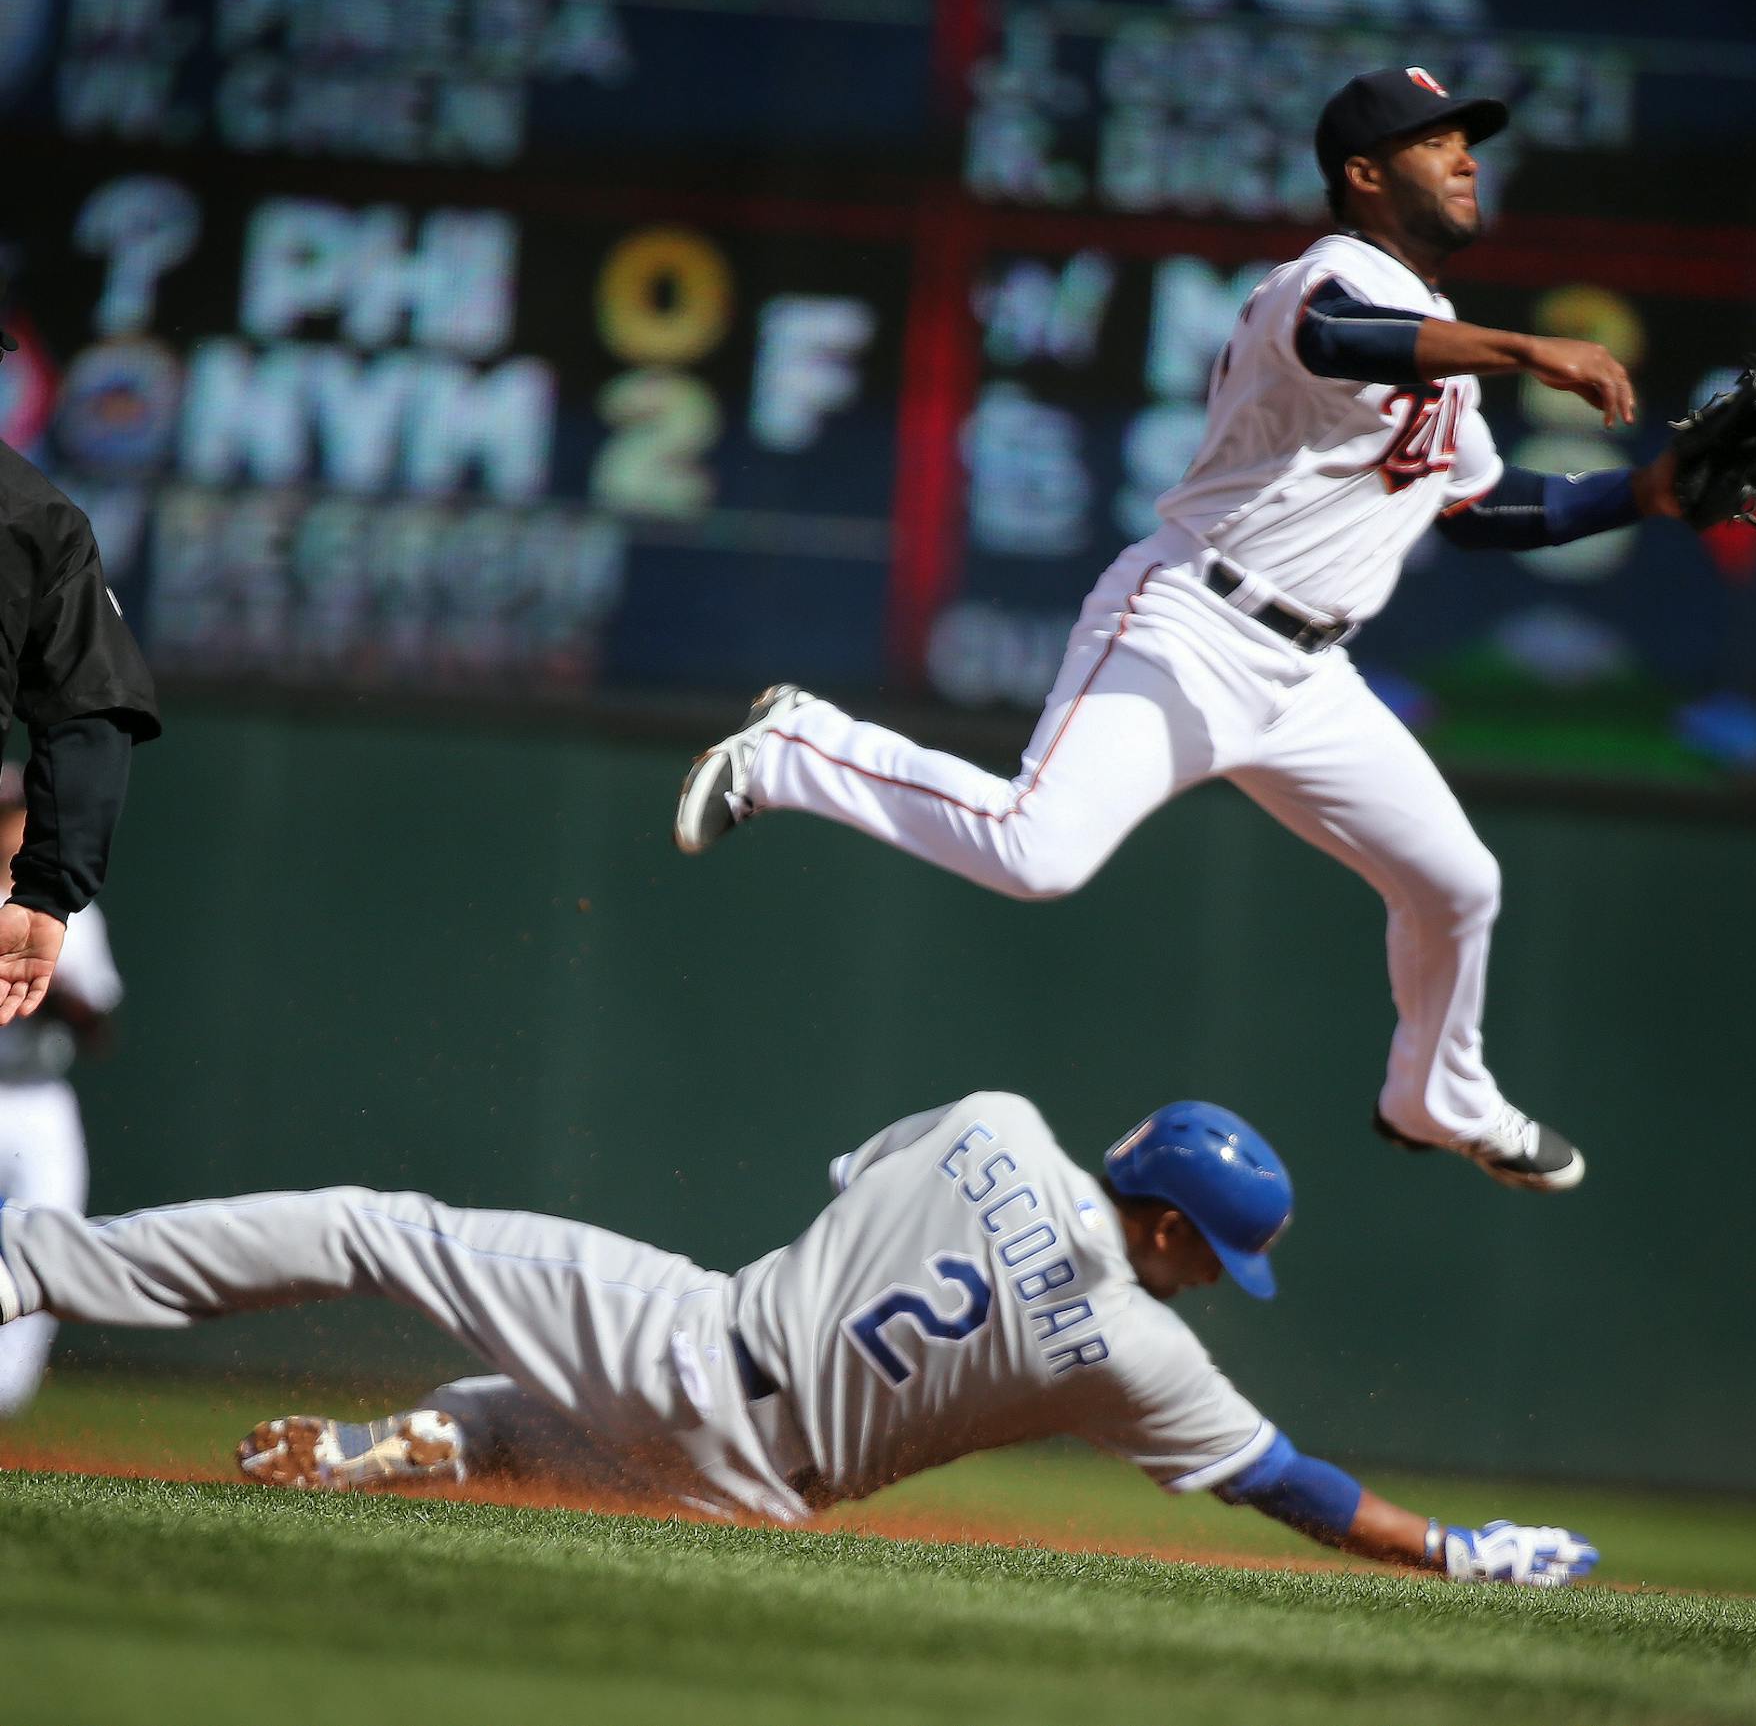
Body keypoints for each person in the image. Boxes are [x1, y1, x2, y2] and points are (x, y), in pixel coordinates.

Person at [672, 70, 1703, 1193]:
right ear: (1364, 174)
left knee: (1459, 883)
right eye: (1435, 142)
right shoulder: (1321, 282)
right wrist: (1530, 349)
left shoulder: (1445, 342)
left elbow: (1485, 510)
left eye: (1469, 140)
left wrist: (1646, 494)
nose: (1464, 158)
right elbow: (1340, 336)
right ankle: (793, 749)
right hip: (1190, 623)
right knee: (1037, 854)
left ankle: (1437, 1093)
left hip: (1308, 679)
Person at [0, 1092, 1599, 1585]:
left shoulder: (995, 1119)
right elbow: (1295, 1486)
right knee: (504, 1421)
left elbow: (851, 1190)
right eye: (1216, 1253)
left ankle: (24, 1267)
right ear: (1171, 1225)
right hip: (746, 1493)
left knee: (372, 1228)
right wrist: (1456, 1551)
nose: (1213, 1278)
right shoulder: (1133, 1353)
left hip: (692, 1347)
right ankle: (416, 1443)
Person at [0, 329, 162, 1026]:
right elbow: (91, 701)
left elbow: (91, 698)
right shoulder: (31, 514)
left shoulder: (35, 519)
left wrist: (47, 886)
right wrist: (48, 886)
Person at [0, 764, 124, 1414]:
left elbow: (99, 1025)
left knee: (45, 1248)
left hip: (37, 1097)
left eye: (23, 815)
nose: (16, 829)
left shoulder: (63, 908)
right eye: (7, 816)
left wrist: (48, 988)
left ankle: (5, 1401)